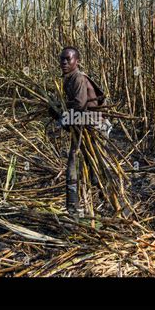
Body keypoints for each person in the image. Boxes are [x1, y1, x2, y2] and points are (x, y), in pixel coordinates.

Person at [52, 46, 111, 216]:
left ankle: (104, 201)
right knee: (80, 160)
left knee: (94, 163)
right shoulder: (68, 79)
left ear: (76, 61)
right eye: (62, 59)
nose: (64, 62)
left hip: (94, 126)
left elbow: (79, 106)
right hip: (81, 124)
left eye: (68, 59)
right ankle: (77, 206)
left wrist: (63, 116)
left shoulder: (78, 78)